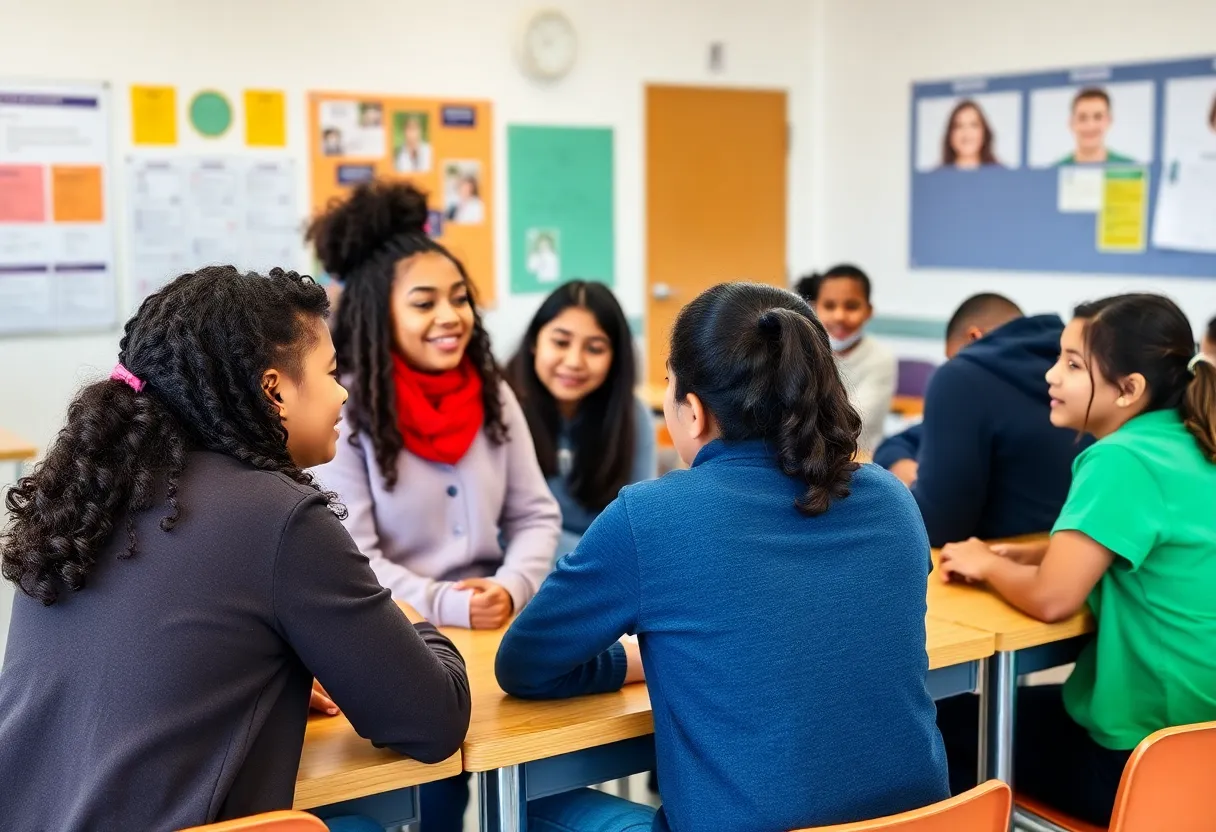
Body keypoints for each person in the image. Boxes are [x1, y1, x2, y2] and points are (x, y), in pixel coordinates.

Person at [0, 267, 470, 832]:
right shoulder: (279, 515)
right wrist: (418, 623)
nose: (344, 391)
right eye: (330, 371)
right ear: (274, 390)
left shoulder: (88, 495)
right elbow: (432, 721)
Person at [496, 282, 949, 832]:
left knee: (534, 808)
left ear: (693, 411)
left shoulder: (652, 517)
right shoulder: (893, 499)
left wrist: (628, 662)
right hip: (929, 822)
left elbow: (523, 665)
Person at [308, 181, 558, 831]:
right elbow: (352, 557)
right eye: (424, 302)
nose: (450, 316)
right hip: (395, 629)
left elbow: (536, 515)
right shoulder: (348, 410)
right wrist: (445, 603)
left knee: (534, 767)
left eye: (460, 299)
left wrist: (511, 586)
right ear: (377, 312)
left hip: (498, 623)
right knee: (431, 780)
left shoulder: (494, 397)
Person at [935, 293, 1216, 826]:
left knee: (949, 725)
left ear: (1130, 389)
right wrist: (1035, 551)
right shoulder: (1193, 439)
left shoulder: (1121, 458)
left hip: (1141, 761)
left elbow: (1051, 599)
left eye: (1073, 364)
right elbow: (1149, 542)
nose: (1050, 376)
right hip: (1204, 752)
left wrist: (988, 563)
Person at [873, 294, 1086, 547]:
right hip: (1068, 558)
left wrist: (908, 478)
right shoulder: (1074, 372)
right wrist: (897, 457)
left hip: (993, 565)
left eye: (954, 357)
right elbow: (911, 437)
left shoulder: (963, 376)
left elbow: (937, 527)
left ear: (974, 337)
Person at [505, 280, 656, 557]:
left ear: (615, 358)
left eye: (595, 348)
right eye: (561, 342)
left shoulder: (633, 416)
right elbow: (501, 527)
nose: (574, 361)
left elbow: (636, 521)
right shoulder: (502, 406)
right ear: (534, 343)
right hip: (523, 568)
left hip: (606, 567)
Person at [796, 265, 896, 454]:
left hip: (860, 458)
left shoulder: (881, 357)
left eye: (851, 306)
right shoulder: (803, 352)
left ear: (868, 310)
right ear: (815, 308)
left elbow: (856, 422)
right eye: (829, 306)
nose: (839, 316)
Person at [1058, 87, 1134, 166]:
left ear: (1109, 121)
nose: (1090, 126)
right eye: (1082, 118)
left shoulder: (1131, 168)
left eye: (1098, 117)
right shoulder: (1054, 171)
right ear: (1071, 123)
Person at [940, 99, 998, 169]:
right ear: (950, 135)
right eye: (959, 126)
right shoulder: (935, 177)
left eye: (973, 125)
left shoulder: (1002, 174)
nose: (967, 132)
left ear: (984, 132)